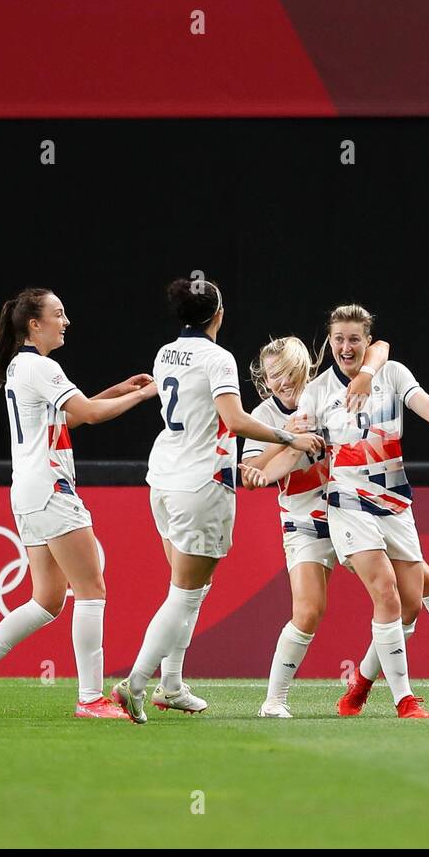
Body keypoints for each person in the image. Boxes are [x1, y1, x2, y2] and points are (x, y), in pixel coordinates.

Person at [242, 335, 429, 719]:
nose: (283, 382)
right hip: (307, 523)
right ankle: (274, 701)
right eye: (274, 376)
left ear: (305, 369)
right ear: (264, 381)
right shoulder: (263, 416)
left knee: (415, 591)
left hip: (355, 511)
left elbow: (382, 347)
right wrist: (288, 437)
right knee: (308, 612)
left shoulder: (326, 392)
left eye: (290, 372)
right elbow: (259, 468)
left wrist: (367, 372)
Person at [112, 278, 324, 724]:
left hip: (163, 480)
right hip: (200, 483)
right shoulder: (218, 358)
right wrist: (291, 437)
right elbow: (234, 418)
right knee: (185, 595)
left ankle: (171, 686)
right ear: (219, 314)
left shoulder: (166, 352)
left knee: (191, 591)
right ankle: (135, 684)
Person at [0, 287, 159, 718]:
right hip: (51, 490)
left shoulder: (24, 368)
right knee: (92, 590)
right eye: (58, 314)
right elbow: (92, 416)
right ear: (34, 324)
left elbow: (74, 415)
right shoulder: (40, 366)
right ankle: (90, 698)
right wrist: (145, 395)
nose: (66, 321)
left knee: (46, 601)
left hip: (27, 491)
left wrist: (119, 388)